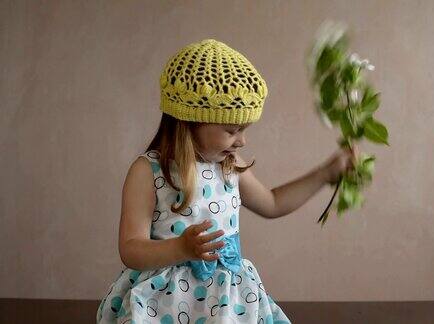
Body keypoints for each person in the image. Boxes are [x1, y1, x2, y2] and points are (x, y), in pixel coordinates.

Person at [96, 39, 358, 324]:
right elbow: (130, 248)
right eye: (232, 130)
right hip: (165, 304)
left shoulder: (230, 166)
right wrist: (180, 249)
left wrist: (324, 174)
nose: (242, 140)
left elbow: (272, 203)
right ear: (191, 120)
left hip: (226, 304)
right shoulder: (149, 172)